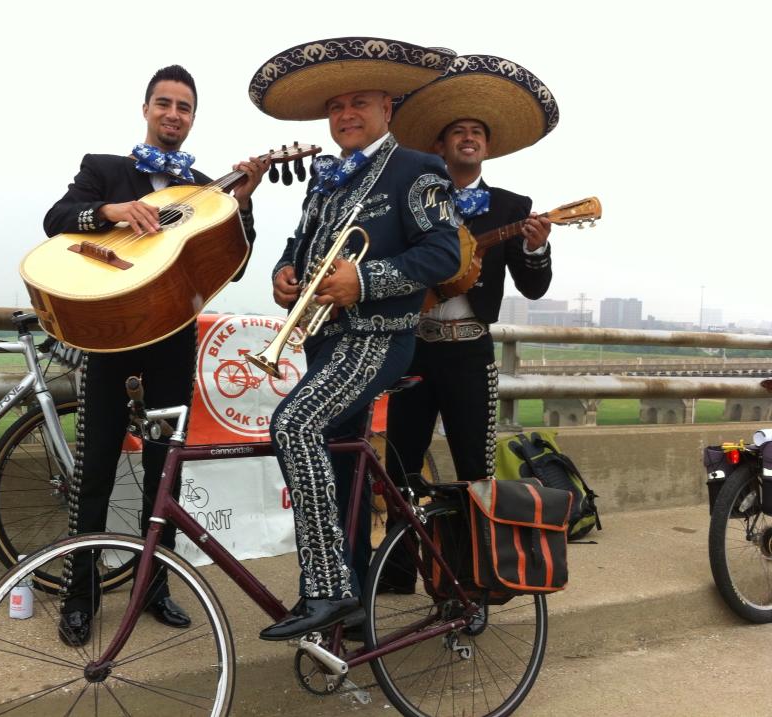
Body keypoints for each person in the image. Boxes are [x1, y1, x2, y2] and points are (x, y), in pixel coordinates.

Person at [43, 64, 268, 646]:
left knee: (164, 470)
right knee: (95, 471)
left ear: (193, 119)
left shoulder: (204, 190)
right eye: (164, 103)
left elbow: (234, 266)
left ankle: (153, 588)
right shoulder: (104, 169)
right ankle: (80, 596)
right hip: (111, 337)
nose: (173, 114)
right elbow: (55, 220)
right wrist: (112, 212)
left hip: (172, 342)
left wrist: (243, 205)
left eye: (184, 107)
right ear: (146, 109)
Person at [247, 37, 461, 640]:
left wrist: (363, 280)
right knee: (345, 478)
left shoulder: (416, 168)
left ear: (387, 108)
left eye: (359, 103)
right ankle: (358, 616)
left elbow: (442, 253)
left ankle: (327, 589)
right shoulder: (326, 179)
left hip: (376, 337)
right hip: (323, 342)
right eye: (336, 106)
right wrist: (285, 274)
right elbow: (300, 243)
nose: (346, 114)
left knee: (295, 425)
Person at [382, 54, 559, 592]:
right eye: (458, 131)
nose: (468, 137)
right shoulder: (413, 200)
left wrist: (536, 248)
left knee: (474, 472)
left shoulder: (511, 206)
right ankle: (394, 576)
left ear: (486, 146)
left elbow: (533, 287)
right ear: (439, 145)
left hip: (469, 350)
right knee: (400, 467)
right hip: (414, 348)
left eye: (476, 132)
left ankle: (471, 581)